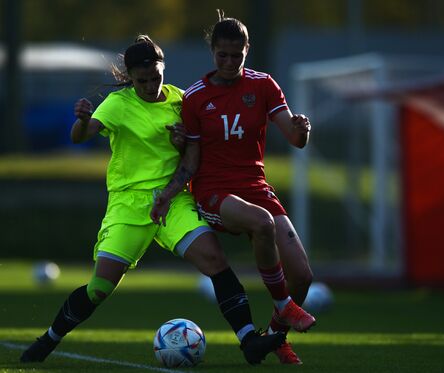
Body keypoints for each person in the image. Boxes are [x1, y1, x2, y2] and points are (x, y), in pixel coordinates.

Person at [19, 35, 285, 366]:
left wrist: (181, 142)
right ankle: (49, 339)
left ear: (163, 69)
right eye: (141, 80)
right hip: (129, 204)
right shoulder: (118, 104)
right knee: (99, 289)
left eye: (155, 76)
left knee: (215, 260)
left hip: (172, 200)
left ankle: (249, 339)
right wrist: (84, 121)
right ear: (130, 77)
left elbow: (194, 150)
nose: (149, 85)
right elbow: (80, 136)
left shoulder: (179, 99)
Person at [150, 10, 315, 364]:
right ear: (212, 52)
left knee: (302, 275)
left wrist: (302, 129)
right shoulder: (194, 98)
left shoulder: (263, 85)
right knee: (262, 224)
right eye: (222, 55)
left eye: (236, 56)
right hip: (213, 190)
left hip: (255, 187)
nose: (228, 62)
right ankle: (284, 305)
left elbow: (295, 139)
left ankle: (274, 337)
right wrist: (168, 193)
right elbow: (191, 159)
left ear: (246, 51)